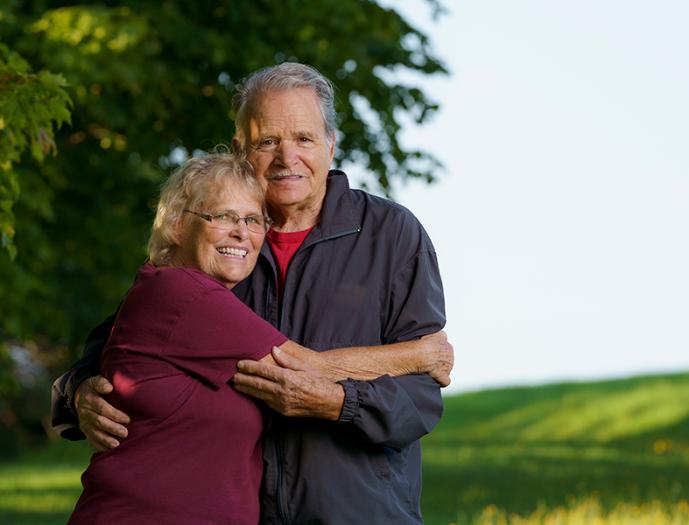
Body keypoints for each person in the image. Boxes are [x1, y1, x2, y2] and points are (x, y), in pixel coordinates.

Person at [52, 63, 449, 524]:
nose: (287, 158)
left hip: (360, 513)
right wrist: (76, 394)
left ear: (331, 144)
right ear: (241, 150)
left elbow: (420, 401)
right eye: (267, 142)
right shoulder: (217, 243)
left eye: (304, 138)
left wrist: (338, 402)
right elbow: (119, 342)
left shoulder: (390, 235)